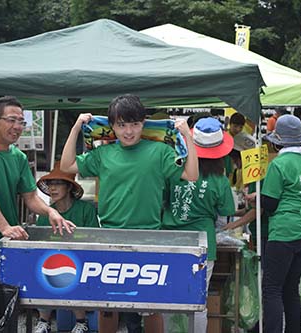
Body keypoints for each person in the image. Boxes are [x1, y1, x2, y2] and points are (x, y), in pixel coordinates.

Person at [60, 94, 198, 333]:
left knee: (151, 305)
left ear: (143, 123)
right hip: (109, 235)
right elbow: (66, 166)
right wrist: (75, 127)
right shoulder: (103, 154)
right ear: (112, 126)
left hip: (150, 236)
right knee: (108, 305)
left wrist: (187, 135)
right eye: (122, 125)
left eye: (134, 124)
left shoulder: (160, 151)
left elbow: (191, 175)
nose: (129, 131)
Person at [0, 96, 75, 283]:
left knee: (11, 304)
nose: (17, 126)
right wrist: (5, 227)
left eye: (21, 122)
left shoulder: (19, 157)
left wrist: (50, 210)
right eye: (11, 120)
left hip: (10, 244)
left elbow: (30, 197)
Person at [162, 117, 235, 332]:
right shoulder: (219, 179)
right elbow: (226, 211)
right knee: (197, 300)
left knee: (167, 296)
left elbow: (161, 199)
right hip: (203, 244)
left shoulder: (175, 168)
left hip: (169, 240)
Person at [261, 114, 301, 333]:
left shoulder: (279, 164)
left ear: (278, 140)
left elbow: (270, 203)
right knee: (290, 289)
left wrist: (259, 198)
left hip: (284, 232)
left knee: (272, 289)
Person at [33, 162, 99, 333]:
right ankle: (43, 321)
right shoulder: (46, 213)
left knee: (70, 268)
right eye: (50, 184)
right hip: (53, 262)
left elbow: (93, 239)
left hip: (81, 261)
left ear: (69, 187)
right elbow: (40, 242)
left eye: (58, 184)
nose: (53, 188)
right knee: (42, 266)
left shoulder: (86, 209)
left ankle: (81, 321)